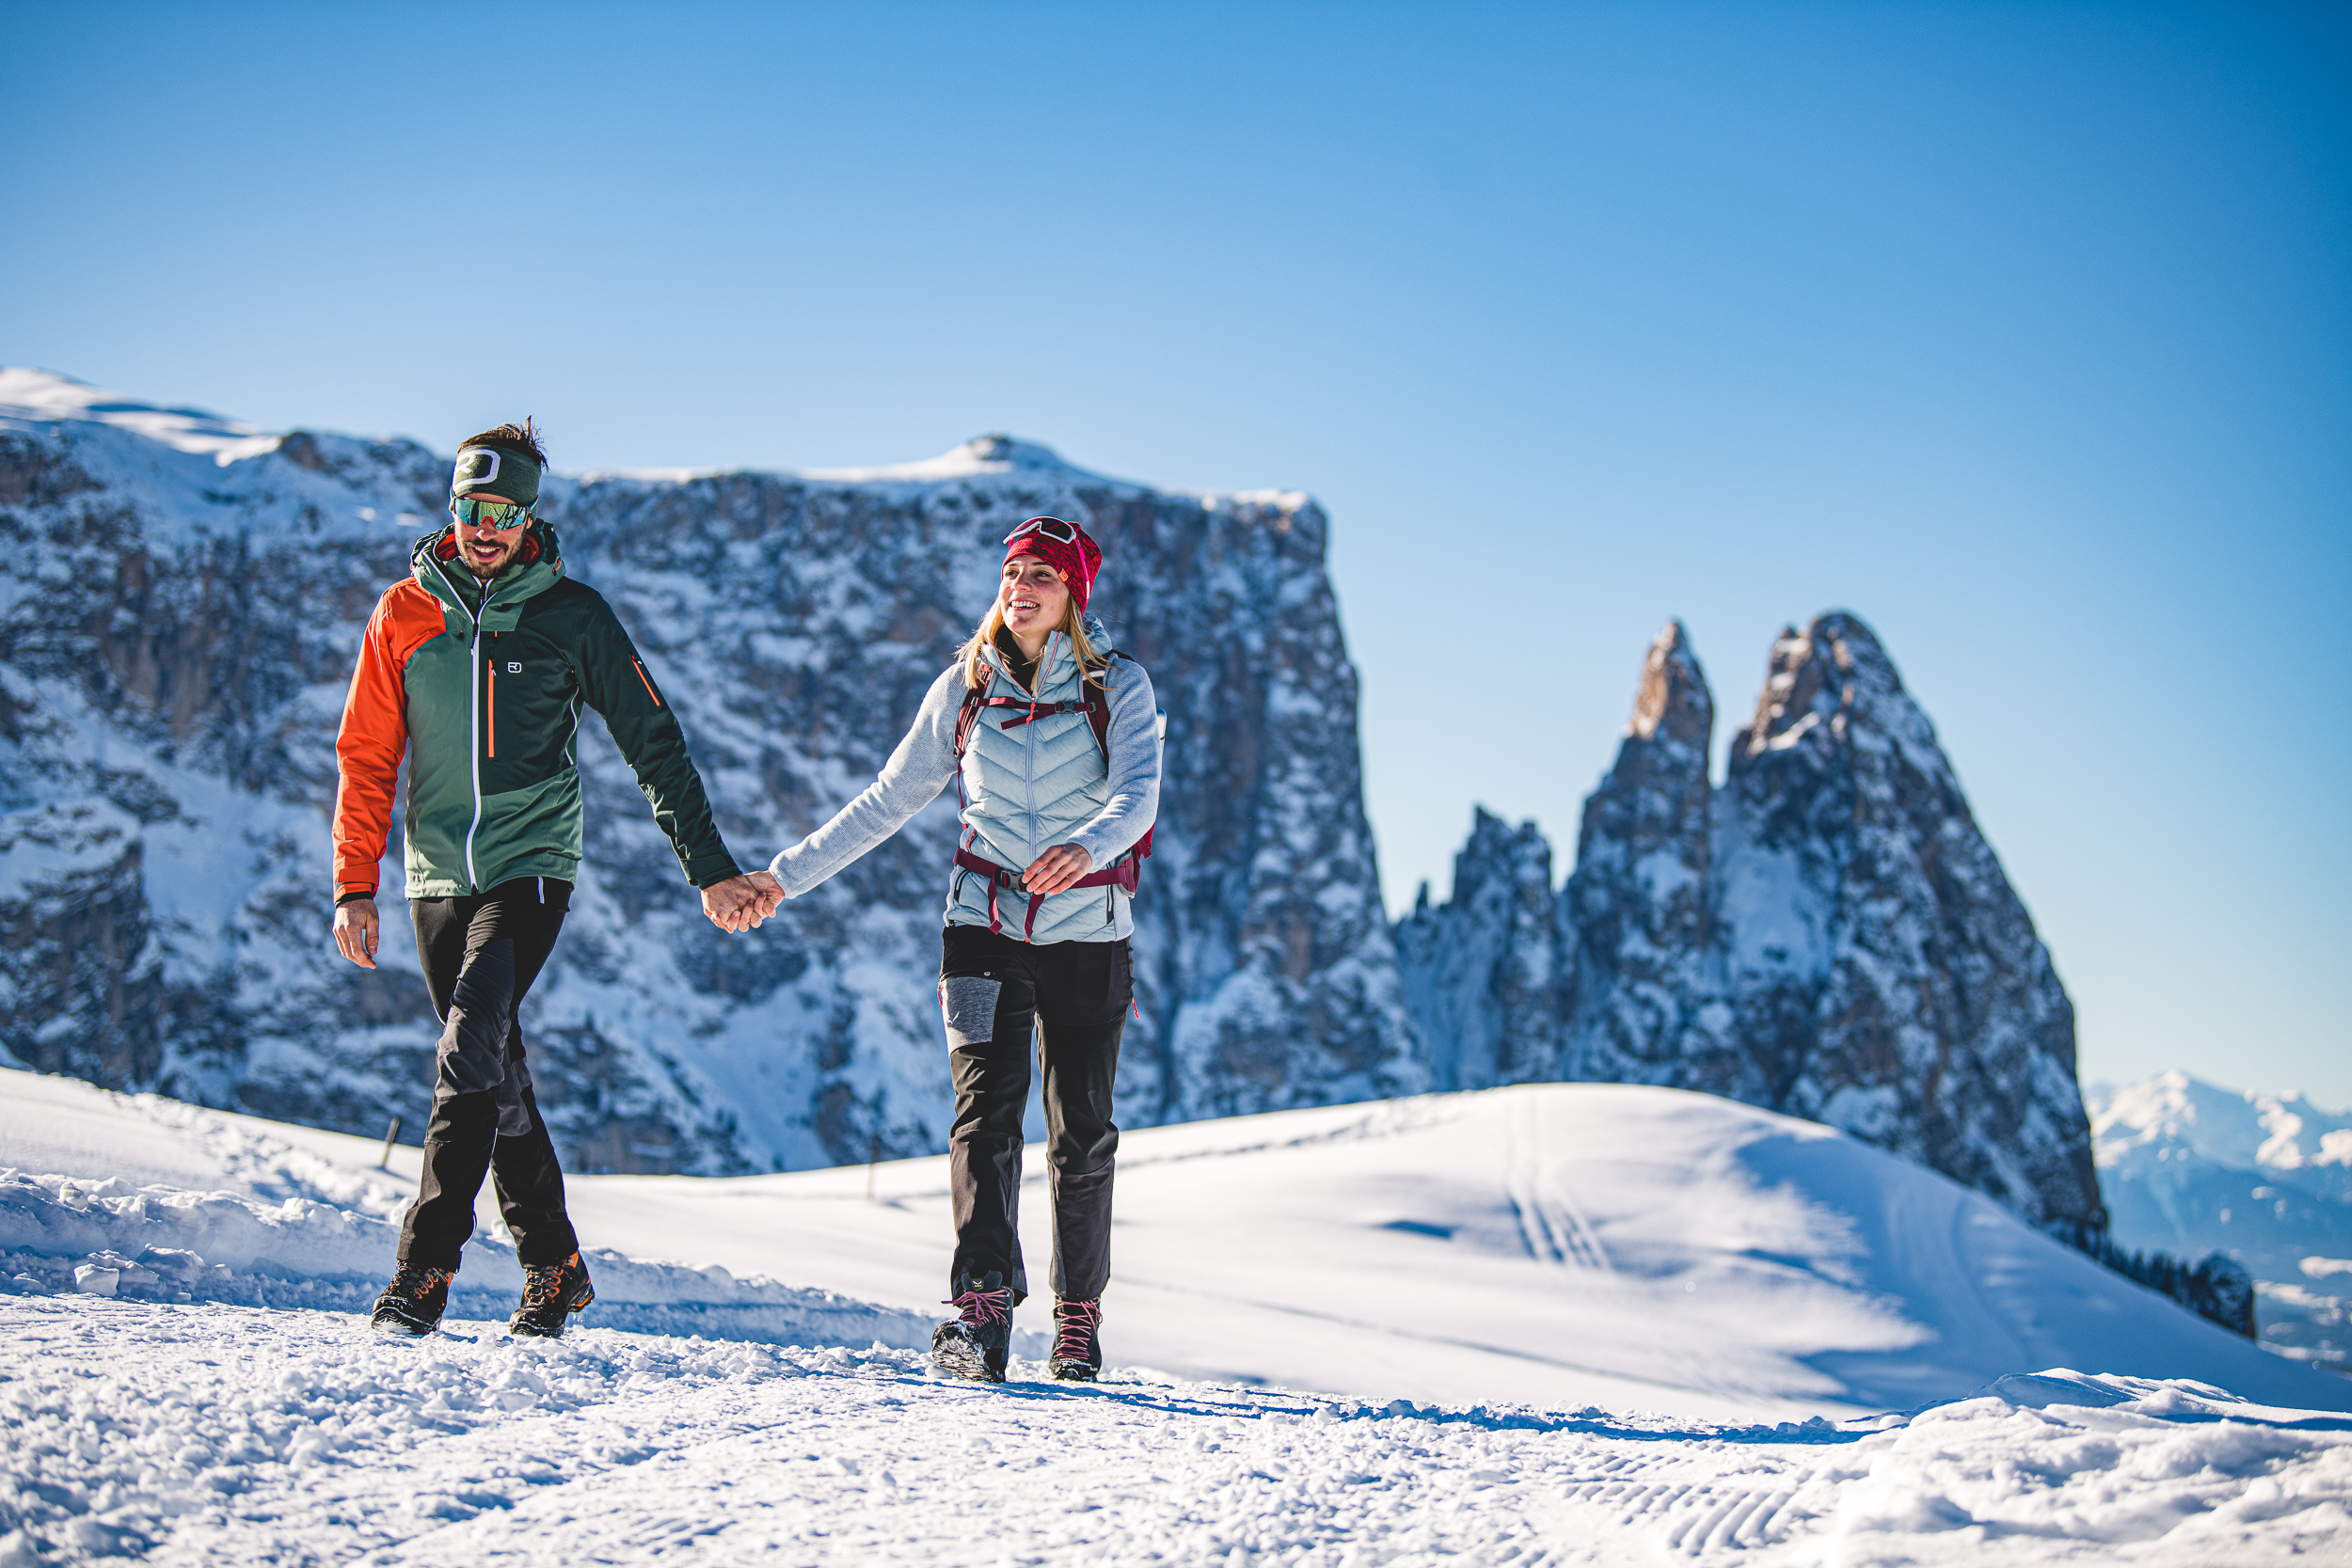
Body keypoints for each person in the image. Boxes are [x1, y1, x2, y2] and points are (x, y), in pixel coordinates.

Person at [331, 420, 772, 1339]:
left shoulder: (573, 614)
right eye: (472, 507)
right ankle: (555, 1264)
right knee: (495, 1070)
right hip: (433, 876)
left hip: (532, 868)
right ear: (452, 508)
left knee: (468, 1044)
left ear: (529, 515)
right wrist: (354, 883)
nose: (486, 525)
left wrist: (711, 868)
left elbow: (654, 742)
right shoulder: (402, 615)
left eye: (504, 510)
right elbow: (368, 755)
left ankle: (424, 1271)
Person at [749, 516, 1160, 1383]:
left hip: (1089, 934)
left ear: (1074, 593)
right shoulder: (965, 687)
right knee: (984, 1115)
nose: (1022, 586)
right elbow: (889, 798)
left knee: (1080, 1133)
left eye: (1043, 574)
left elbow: (1137, 797)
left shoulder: (1117, 687)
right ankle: (980, 1312)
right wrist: (785, 877)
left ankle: (1077, 1319)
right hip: (978, 928)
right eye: (1013, 571)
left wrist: (1086, 847)